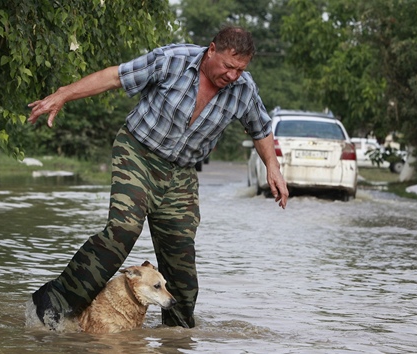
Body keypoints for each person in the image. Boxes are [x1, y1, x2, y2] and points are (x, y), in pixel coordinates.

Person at [27, 25, 288, 330]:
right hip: (137, 152)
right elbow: (115, 77)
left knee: (181, 262)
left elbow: (260, 127)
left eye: (240, 70)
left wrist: (272, 165)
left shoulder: (244, 89)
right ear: (212, 50)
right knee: (123, 229)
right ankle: (55, 302)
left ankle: (175, 336)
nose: (232, 76)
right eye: (229, 67)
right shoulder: (172, 60)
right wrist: (63, 95)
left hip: (181, 174)